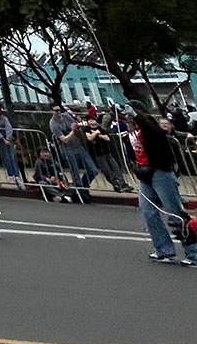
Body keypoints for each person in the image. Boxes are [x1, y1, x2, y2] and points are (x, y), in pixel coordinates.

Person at [128, 106, 197, 266]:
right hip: (145, 176)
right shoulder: (131, 133)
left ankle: (193, 253)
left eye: (130, 116)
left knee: (175, 213)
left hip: (160, 173)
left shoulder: (151, 130)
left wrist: (137, 117)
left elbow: (156, 133)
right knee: (148, 212)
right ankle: (164, 250)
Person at [49, 105, 98, 202]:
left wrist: (78, 128)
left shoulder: (67, 116)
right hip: (68, 150)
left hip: (78, 147)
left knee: (93, 170)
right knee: (75, 173)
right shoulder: (53, 124)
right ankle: (82, 194)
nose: (59, 112)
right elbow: (64, 139)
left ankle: (83, 188)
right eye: (56, 111)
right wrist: (72, 131)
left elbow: (77, 128)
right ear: (52, 112)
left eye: (60, 110)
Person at [83, 114, 129, 192]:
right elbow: (89, 138)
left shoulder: (100, 129)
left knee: (115, 167)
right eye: (90, 120)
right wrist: (96, 133)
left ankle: (122, 183)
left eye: (93, 119)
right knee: (107, 170)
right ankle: (116, 184)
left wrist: (97, 134)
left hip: (106, 152)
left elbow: (108, 138)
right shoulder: (86, 129)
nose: (92, 121)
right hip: (97, 154)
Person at [0, 104, 23, 187]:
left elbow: (8, 128)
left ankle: (16, 175)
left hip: (8, 139)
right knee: (6, 157)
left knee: (12, 157)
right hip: (1, 140)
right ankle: (11, 174)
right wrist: (3, 138)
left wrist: (8, 138)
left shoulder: (4, 118)